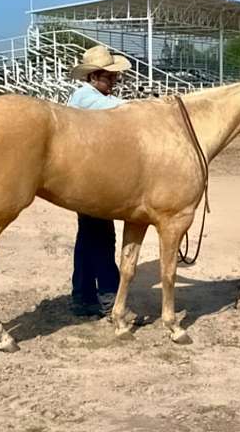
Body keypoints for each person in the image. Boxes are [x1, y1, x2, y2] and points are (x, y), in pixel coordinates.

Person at [66, 45, 132, 317]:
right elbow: (121, 109)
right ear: (94, 76)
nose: (114, 81)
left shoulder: (88, 95)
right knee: (102, 238)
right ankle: (109, 296)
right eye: (109, 76)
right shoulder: (87, 97)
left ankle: (82, 296)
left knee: (88, 238)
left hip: (85, 177)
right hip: (89, 180)